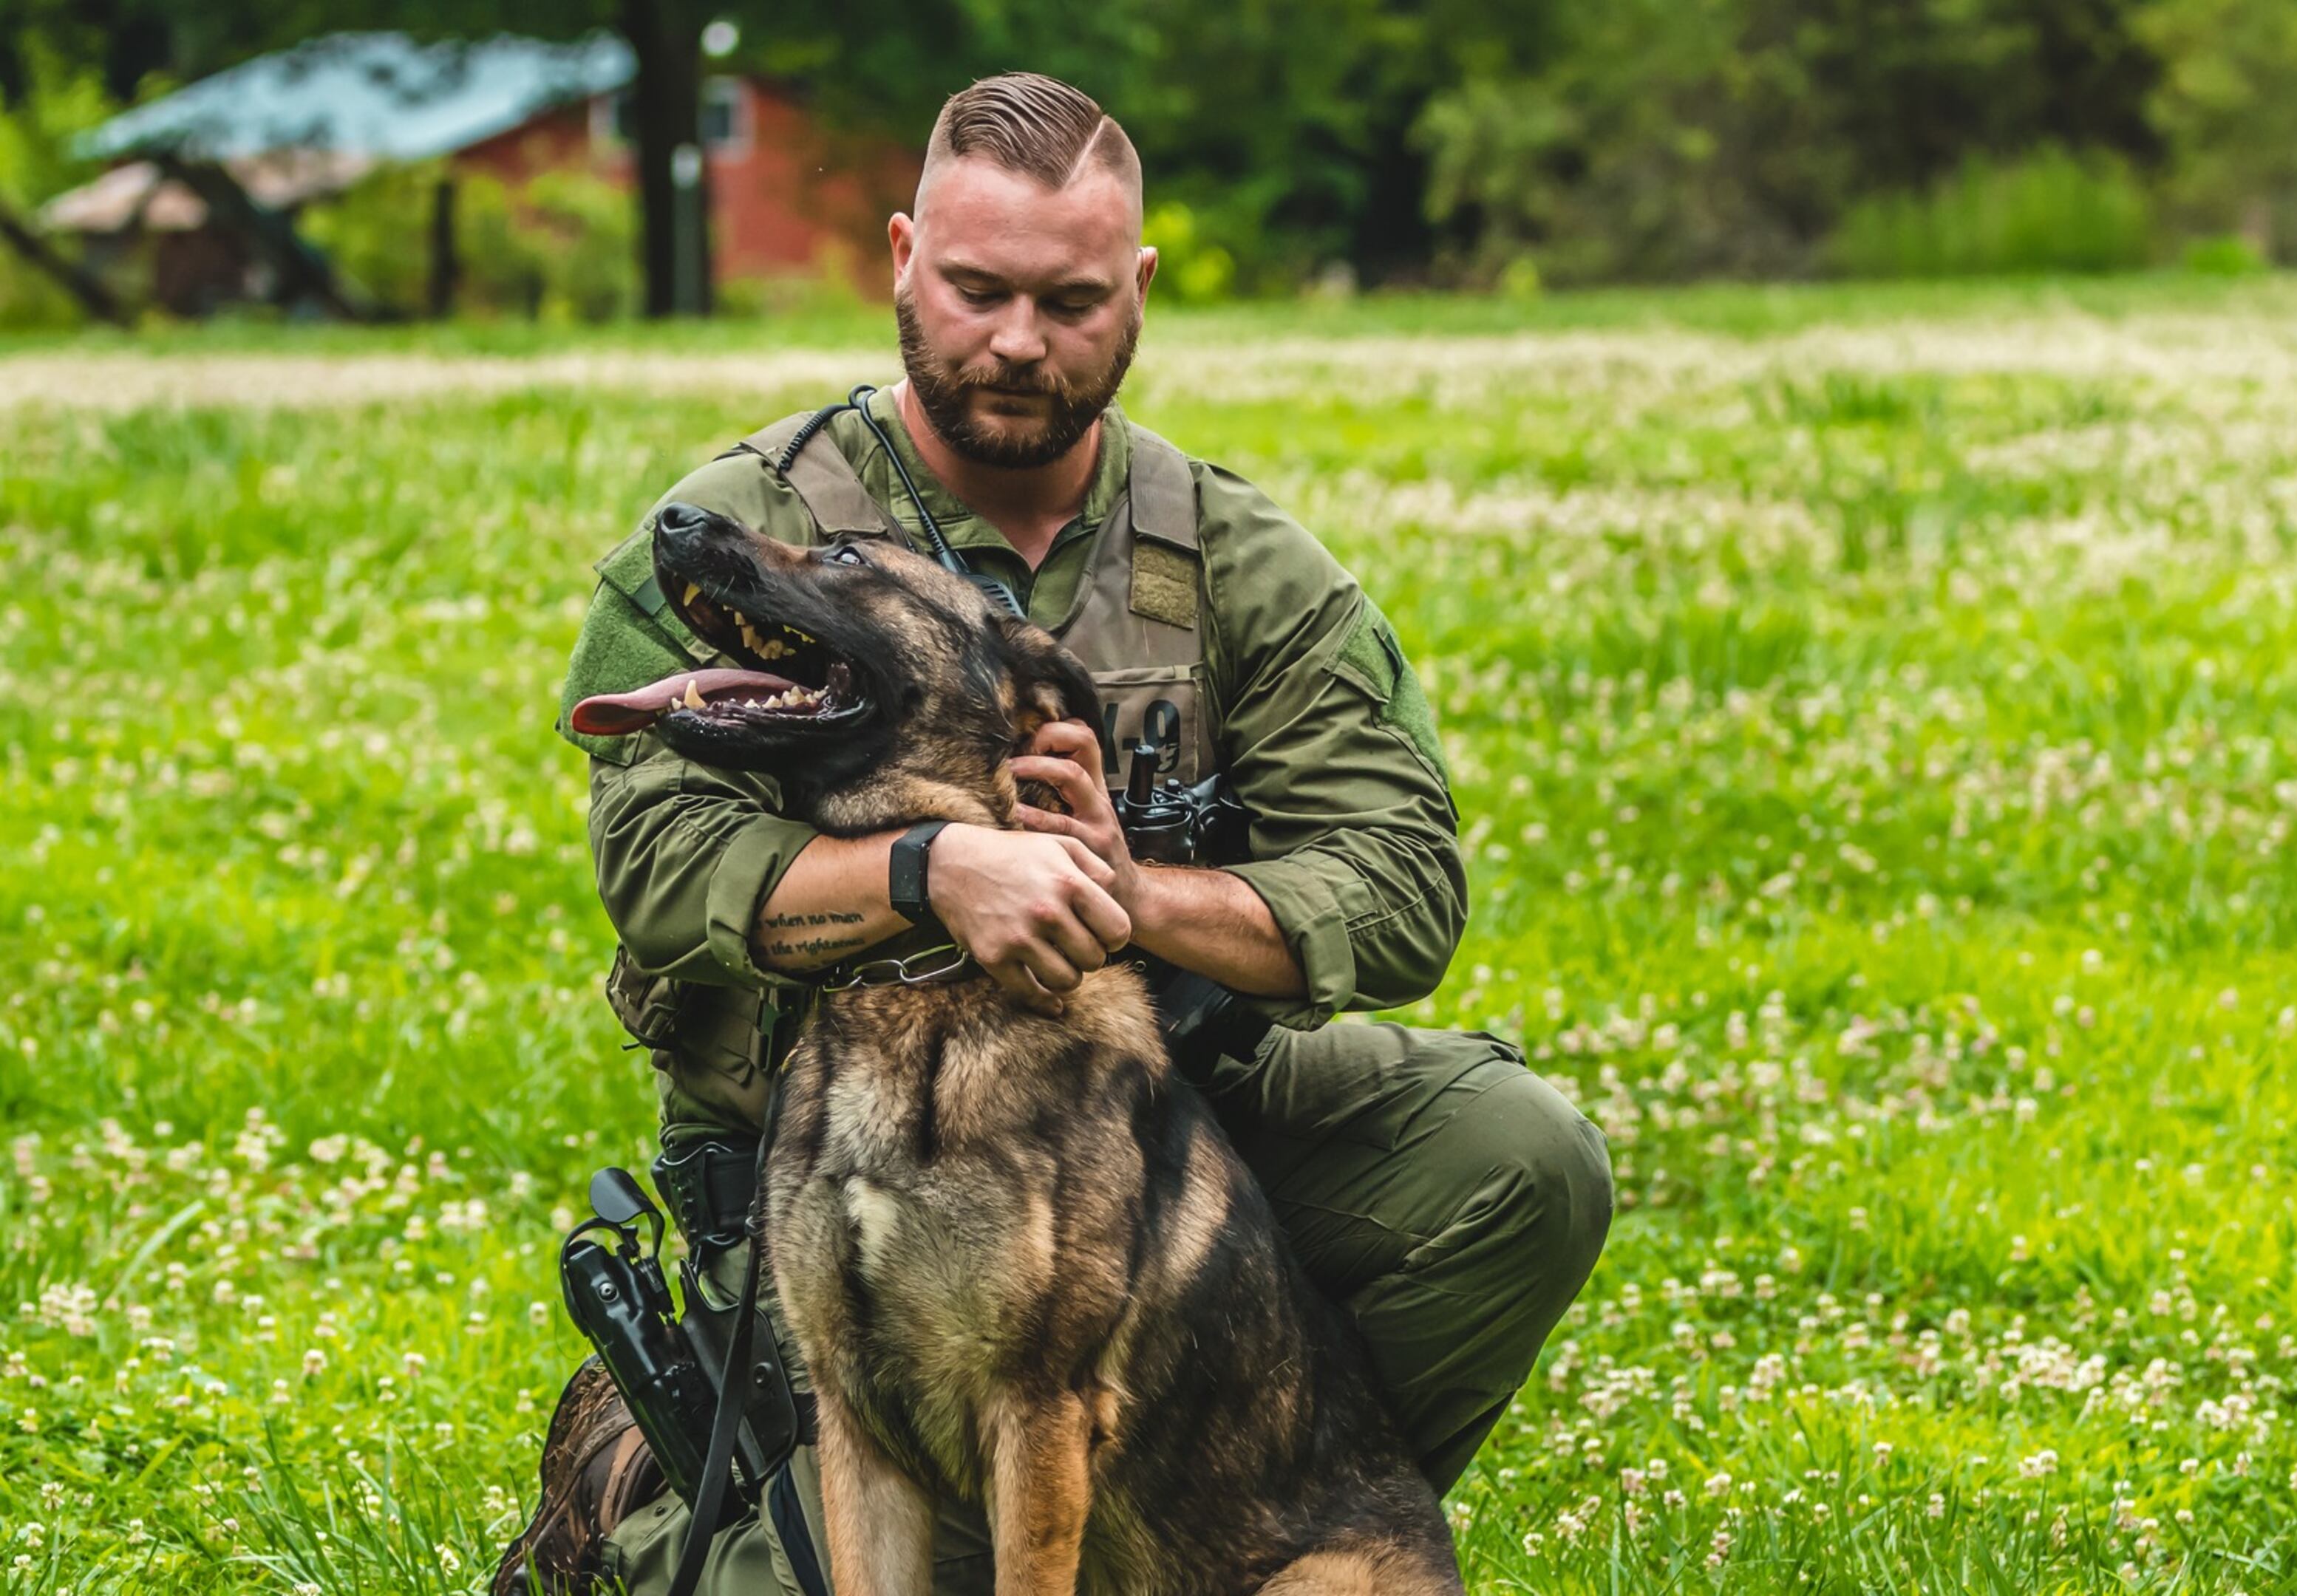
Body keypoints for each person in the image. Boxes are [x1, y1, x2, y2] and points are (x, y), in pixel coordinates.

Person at [494, 72, 1611, 1596]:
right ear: (902, 260)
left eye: (1071, 301)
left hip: (1161, 1124)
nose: (1020, 340)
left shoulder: (1230, 560)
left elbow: (1399, 888)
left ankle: (1220, 1527)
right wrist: (938, 871)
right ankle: (703, 1505)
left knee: (1516, 1154)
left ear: (1136, 291)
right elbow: (662, 863)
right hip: (816, 1149)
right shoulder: (758, 534)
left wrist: (1125, 893)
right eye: (978, 290)